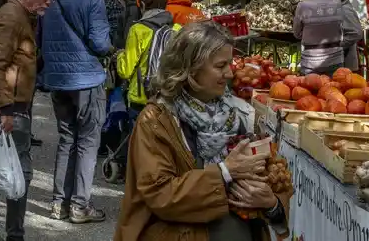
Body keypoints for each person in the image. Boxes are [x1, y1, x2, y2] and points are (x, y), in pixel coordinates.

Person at [114, 21, 289, 241]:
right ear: (190, 69)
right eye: (220, 65)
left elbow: (277, 180)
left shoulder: (244, 114)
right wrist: (225, 171)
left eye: (230, 63)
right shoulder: (157, 120)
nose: (229, 73)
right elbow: (159, 194)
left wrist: (272, 205)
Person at [0, 0, 56, 241]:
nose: (49, 2)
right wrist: (6, 109)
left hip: (10, 104)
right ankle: (11, 234)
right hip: (7, 107)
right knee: (15, 171)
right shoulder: (11, 18)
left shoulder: (22, 16)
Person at [38, 0, 111, 223]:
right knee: (88, 142)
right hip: (86, 78)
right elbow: (101, 43)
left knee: (67, 139)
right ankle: (80, 205)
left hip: (57, 77)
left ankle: (59, 203)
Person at [117, 0, 180, 119]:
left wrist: (120, 55)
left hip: (141, 98)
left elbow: (125, 71)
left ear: (143, 5)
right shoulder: (176, 29)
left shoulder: (138, 30)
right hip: (168, 97)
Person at [294, 0, 363, 75]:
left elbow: (297, 34)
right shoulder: (339, 4)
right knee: (333, 89)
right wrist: (337, 45)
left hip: (310, 62)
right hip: (335, 61)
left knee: (309, 89)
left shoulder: (302, 6)